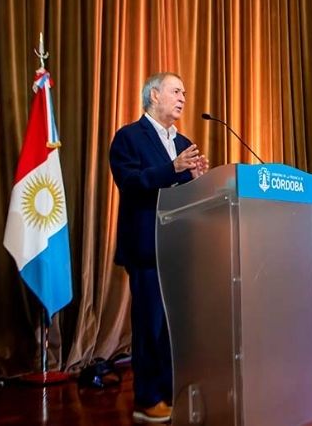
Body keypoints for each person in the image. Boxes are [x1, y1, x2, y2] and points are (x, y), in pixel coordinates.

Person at [109, 72, 208, 423]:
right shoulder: (129, 137)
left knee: (174, 328)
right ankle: (147, 399)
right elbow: (130, 182)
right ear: (154, 95)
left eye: (184, 92)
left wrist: (198, 181)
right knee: (150, 324)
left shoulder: (184, 142)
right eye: (176, 91)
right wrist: (172, 169)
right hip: (146, 247)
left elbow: (186, 194)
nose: (183, 98)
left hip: (179, 249)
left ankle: (171, 391)